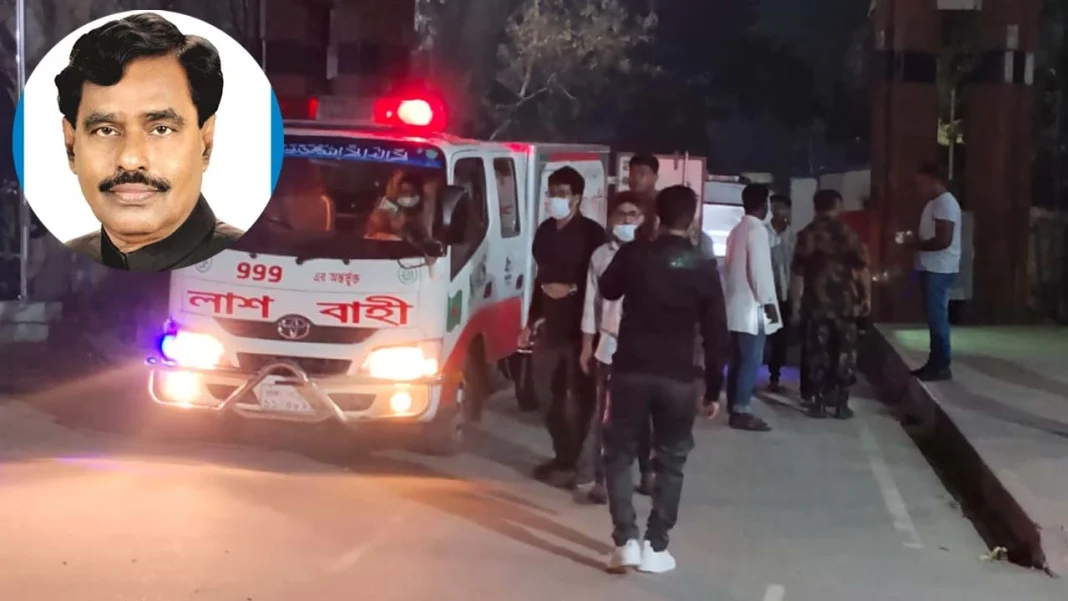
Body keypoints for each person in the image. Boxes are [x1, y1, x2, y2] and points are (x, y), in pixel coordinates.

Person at [598, 185, 727, 573]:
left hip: (631, 369)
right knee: (671, 460)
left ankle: (625, 541)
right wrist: (714, 389)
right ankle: (657, 547)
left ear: (656, 214)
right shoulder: (702, 265)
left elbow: (608, 288)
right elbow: (716, 332)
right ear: (693, 218)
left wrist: (637, 246)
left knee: (619, 454)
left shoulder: (635, 253)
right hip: (679, 376)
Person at [55, 13, 243, 271]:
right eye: (106, 130)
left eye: (161, 129)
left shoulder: (254, 265)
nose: (130, 159)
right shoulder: (56, 267)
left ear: (206, 143)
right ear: (71, 146)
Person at [521, 166, 606, 488]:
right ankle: (564, 456)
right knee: (546, 394)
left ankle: (583, 465)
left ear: (577, 198)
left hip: (580, 330)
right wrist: (530, 321)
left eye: (562, 193)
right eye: (552, 192)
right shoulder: (545, 232)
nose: (555, 198)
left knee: (581, 399)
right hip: (549, 327)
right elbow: (540, 280)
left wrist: (570, 290)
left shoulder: (592, 235)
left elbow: (599, 285)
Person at [576, 192, 645, 505]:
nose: (627, 220)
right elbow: (591, 305)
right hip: (609, 346)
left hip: (643, 350)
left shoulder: (650, 255)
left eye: (633, 214)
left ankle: (647, 471)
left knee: (642, 417)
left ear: (643, 220)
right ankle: (601, 478)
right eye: (622, 214)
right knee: (605, 415)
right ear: (611, 219)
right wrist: (586, 345)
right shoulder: (601, 256)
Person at [788, 189, 871, 418]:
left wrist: (795, 305)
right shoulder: (849, 234)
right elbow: (862, 269)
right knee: (845, 351)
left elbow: (797, 274)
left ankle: (818, 403)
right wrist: (866, 298)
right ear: (837, 206)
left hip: (816, 304)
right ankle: (841, 404)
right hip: (846, 304)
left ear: (815, 207)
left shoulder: (807, 234)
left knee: (817, 351)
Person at [722, 184, 779, 432]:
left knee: (738, 360)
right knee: (751, 361)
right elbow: (759, 273)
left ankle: (734, 406)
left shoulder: (737, 230)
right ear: (764, 204)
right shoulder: (757, 231)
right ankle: (742, 410)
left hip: (735, 306)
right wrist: (769, 305)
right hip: (752, 309)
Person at [624, 152, 660, 494]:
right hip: (620, 323)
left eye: (643, 173)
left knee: (652, 408)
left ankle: (650, 469)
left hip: (656, 325)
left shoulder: (663, 212)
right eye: (632, 172)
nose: (635, 178)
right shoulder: (619, 205)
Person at [908, 163, 962, 382]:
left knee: (937, 316)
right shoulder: (934, 203)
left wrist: (915, 244)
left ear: (933, 180)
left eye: (921, 183)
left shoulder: (945, 203)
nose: (918, 188)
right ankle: (934, 362)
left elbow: (943, 240)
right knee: (933, 316)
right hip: (930, 266)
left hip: (939, 268)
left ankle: (941, 365)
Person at [765, 194, 795, 392]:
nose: (778, 211)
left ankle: (774, 376)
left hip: (785, 296)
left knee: (781, 339)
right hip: (768, 295)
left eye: (782, 207)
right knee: (765, 335)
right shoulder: (763, 233)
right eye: (774, 207)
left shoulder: (793, 237)